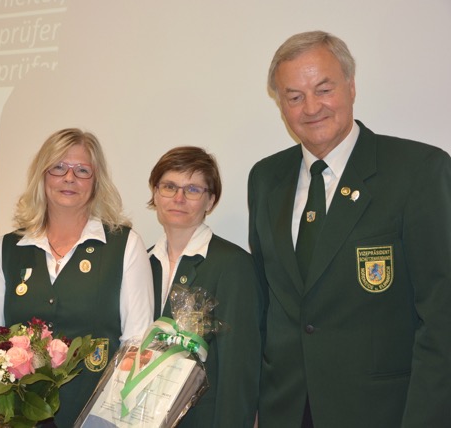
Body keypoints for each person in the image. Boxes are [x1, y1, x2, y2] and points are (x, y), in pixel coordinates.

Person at [248, 30, 451, 427]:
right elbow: (265, 303)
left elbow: (442, 317)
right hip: (286, 411)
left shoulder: (418, 171)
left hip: (382, 413)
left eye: (324, 89)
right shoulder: (265, 179)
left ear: (352, 87)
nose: (311, 107)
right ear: (280, 104)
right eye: (294, 96)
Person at [0, 128, 154, 426]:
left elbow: (137, 344)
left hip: (96, 416)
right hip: (19, 416)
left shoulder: (124, 245)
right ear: (42, 176)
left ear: (96, 182)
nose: (69, 178)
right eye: (58, 167)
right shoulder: (8, 249)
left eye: (82, 170)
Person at [148, 146, 262, 427]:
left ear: (210, 200)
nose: (178, 198)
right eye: (169, 186)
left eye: (193, 190)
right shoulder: (141, 262)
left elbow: (239, 369)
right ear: (155, 193)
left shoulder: (233, 265)